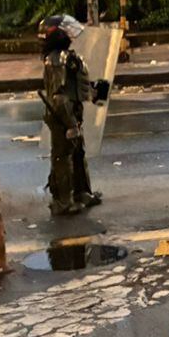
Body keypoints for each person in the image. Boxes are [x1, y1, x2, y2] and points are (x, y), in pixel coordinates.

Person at [40, 14, 101, 216]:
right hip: (62, 117)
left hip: (72, 112)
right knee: (62, 157)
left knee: (77, 153)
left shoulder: (68, 58)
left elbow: (76, 87)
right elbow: (58, 97)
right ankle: (63, 201)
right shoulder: (55, 60)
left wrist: (93, 92)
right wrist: (70, 124)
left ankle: (82, 192)